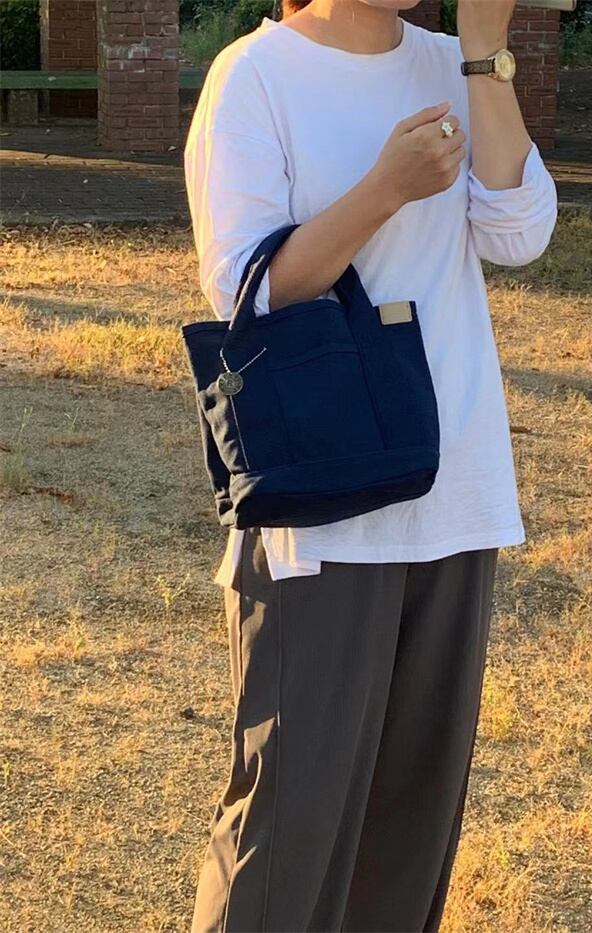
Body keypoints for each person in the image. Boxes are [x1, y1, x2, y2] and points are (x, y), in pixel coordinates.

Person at [184, 0, 558, 929]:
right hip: (321, 512)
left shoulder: (452, 64)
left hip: (454, 493)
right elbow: (245, 293)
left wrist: (484, 52)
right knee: (286, 836)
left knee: (410, 835)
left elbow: (519, 231)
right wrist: (383, 189)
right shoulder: (254, 76)